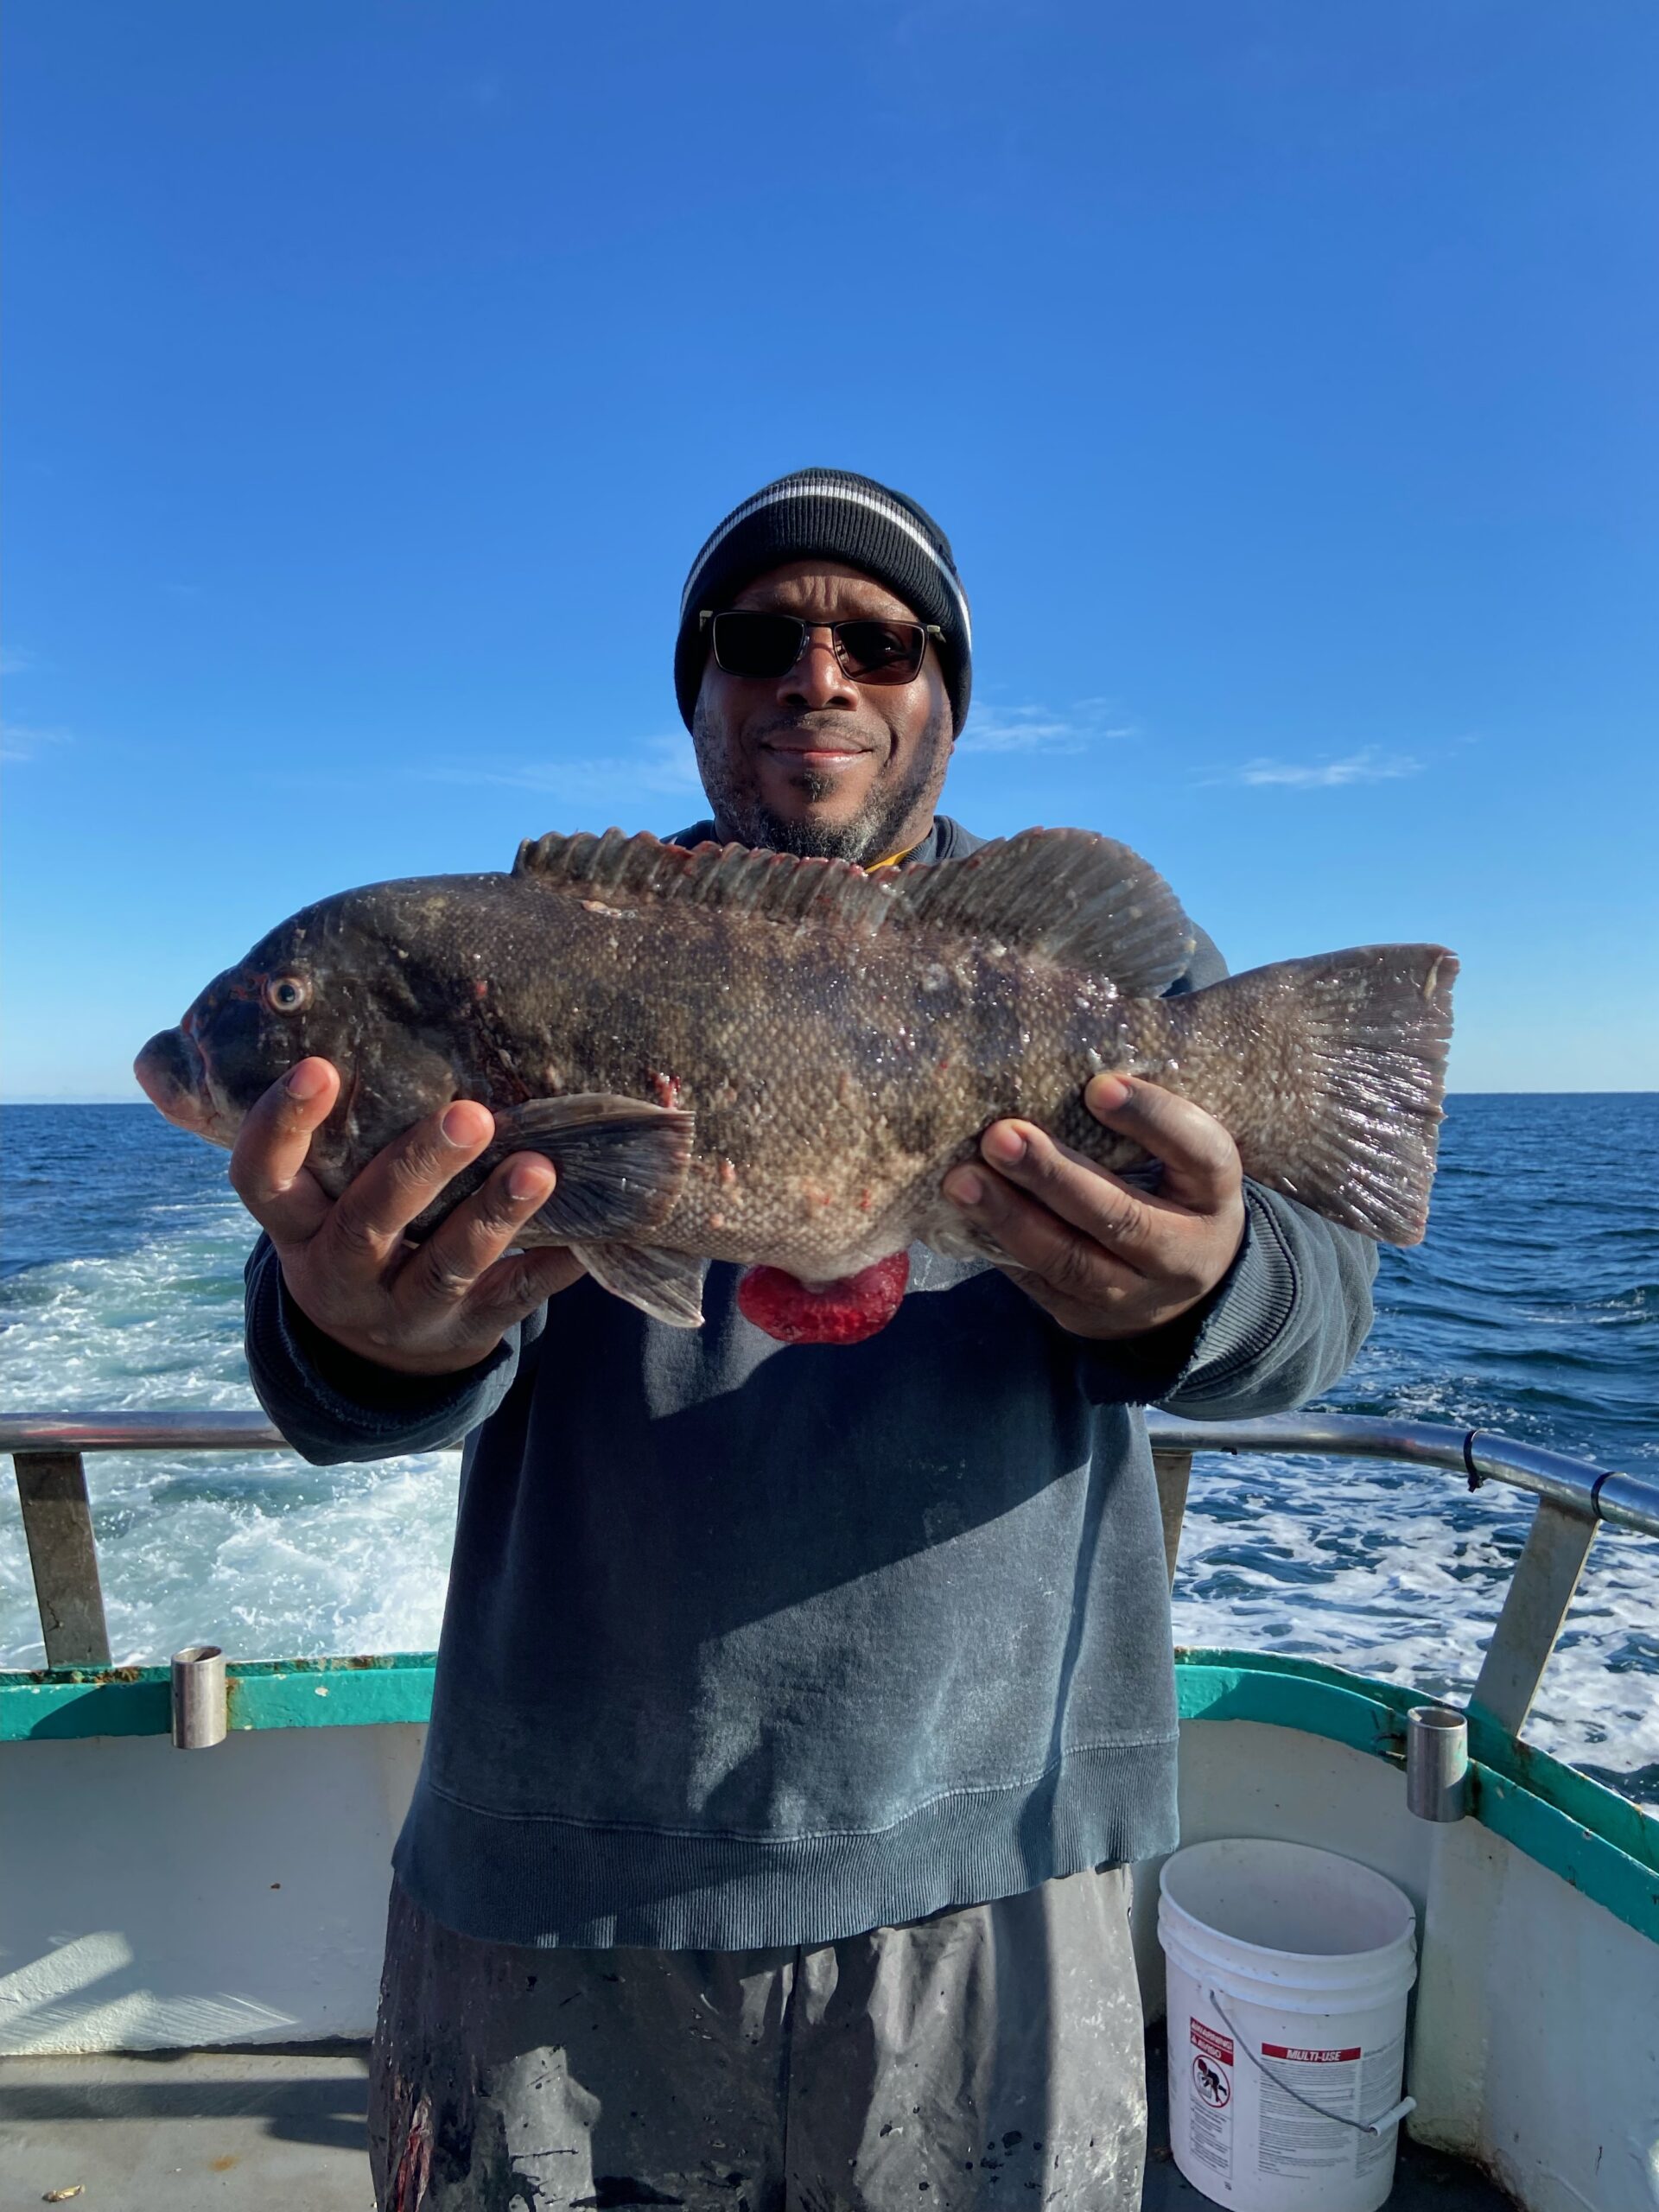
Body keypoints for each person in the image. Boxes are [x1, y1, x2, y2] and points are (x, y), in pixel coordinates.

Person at [233, 468, 1376, 2210]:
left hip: (997, 1854)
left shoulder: (1083, 986)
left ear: (943, 689)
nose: (816, 675)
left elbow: (1320, 1305)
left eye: (880, 640)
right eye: (761, 638)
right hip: (561, 1875)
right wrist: (357, 1327)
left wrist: (1203, 1284)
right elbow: (339, 1380)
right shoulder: (534, 956)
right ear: (697, 687)